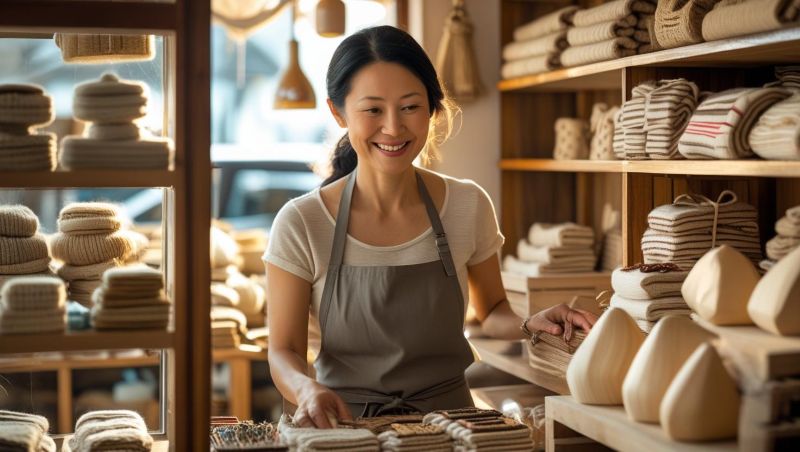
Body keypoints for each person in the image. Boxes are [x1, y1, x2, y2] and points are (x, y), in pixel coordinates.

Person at [264, 25, 598, 428]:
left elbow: (491, 309)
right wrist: (305, 389)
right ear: (338, 112)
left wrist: (531, 323)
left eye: (410, 106)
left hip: (451, 426)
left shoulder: (466, 204)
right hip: (343, 427)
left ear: (431, 109)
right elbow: (283, 351)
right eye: (373, 110)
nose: (393, 127)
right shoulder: (302, 222)